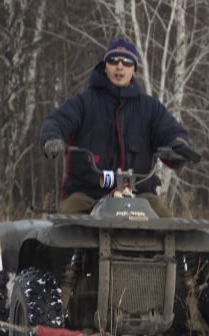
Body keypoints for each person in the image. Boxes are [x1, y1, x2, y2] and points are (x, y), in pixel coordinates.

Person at [38, 37, 199, 217]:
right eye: (114, 60)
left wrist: (178, 147)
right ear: (105, 65)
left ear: (134, 69)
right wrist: (53, 138)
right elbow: (58, 121)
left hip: (139, 195)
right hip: (88, 193)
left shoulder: (150, 108)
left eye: (127, 62)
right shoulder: (84, 102)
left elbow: (172, 132)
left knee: (168, 225)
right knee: (66, 223)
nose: (119, 66)